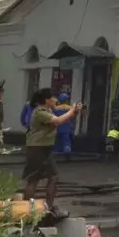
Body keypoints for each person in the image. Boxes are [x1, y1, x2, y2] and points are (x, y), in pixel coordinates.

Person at [22, 88, 82, 217]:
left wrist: (75, 111)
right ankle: (26, 209)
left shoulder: (48, 110)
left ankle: (48, 208)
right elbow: (59, 121)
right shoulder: (40, 112)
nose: (55, 100)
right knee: (34, 179)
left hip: (44, 148)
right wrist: (72, 109)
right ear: (46, 100)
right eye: (53, 97)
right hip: (37, 148)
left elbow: (63, 118)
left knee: (51, 177)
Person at [52, 93, 74, 159]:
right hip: (67, 127)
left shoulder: (55, 108)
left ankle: (55, 154)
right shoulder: (70, 108)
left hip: (57, 127)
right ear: (66, 100)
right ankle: (67, 153)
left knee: (56, 141)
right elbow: (72, 118)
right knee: (66, 141)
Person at [0, 80, 5, 151]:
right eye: (0, 91)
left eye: (2, 91)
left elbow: (1, 117)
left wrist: (1, 130)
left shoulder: (0, 103)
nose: (2, 93)